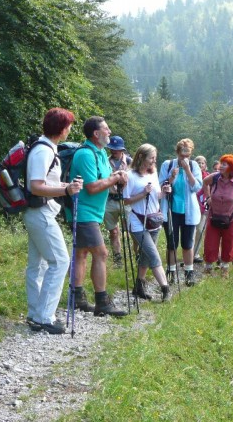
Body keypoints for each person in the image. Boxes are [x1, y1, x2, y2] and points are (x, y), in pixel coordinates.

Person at [23, 108, 83, 334]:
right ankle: (44, 316)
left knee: (37, 264)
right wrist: (66, 190)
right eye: (68, 126)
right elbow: (36, 186)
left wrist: (66, 188)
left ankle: (36, 313)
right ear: (61, 128)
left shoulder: (44, 148)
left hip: (37, 211)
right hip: (40, 212)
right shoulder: (43, 151)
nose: (70, 129)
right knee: (60, 261)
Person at [69, 116, 128, 317]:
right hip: (83, 211)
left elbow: (105, 181)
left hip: (94, 212)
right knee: (101, 253)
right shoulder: (85, 154)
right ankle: (102, 301)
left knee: (82, 253)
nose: (109, 132)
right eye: (106, 129)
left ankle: (77, 298)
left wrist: (119, 179)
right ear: (96, 134)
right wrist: (114, 178)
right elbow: (92, 187)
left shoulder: (101, 153)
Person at [123, 144, 172, 302]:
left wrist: (164, 192)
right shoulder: (130, 175)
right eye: (151, 157)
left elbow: (156, 196)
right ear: (141, 157)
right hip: (138, 222)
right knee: (153, 256)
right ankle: (165, 288)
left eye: (155, 158)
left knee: (145, 256)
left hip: (154, 220)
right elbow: (126, 200)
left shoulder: (153, 173)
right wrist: (142, 193)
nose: (154, 161)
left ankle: (139, 286)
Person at [159, 139, 203, 286]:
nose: (185, 158)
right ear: (177, 152)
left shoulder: (194, 165)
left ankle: (188, 273)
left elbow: (197, 187)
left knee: (187, 243)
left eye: (188, 154)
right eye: (182, 154)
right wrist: (171, 177)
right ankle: (171, 271)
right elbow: (161, 186)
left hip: (188, 211)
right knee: (172, 243)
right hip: (171, 209)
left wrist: (188, 171)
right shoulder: (168, 165)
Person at [104, 135, 133, 269]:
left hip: (126, 200)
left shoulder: (130, 162)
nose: (113, 151)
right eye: (111, 149)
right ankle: (117, 256)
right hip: (110, 200)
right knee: (113, 231)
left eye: (116, 149)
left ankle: (136, 253)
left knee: (132, 229)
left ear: (122, 149)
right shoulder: (104, 161)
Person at [192, 155, 211, 263]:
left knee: (200, 230)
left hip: (204, 207)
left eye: (202, 163)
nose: (200, 164)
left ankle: (195, 253)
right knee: (192, 231)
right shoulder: (190, 175)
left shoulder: (208, 177)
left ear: (205, 165)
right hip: (192, 207)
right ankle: (189, 252)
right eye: (198, 162)